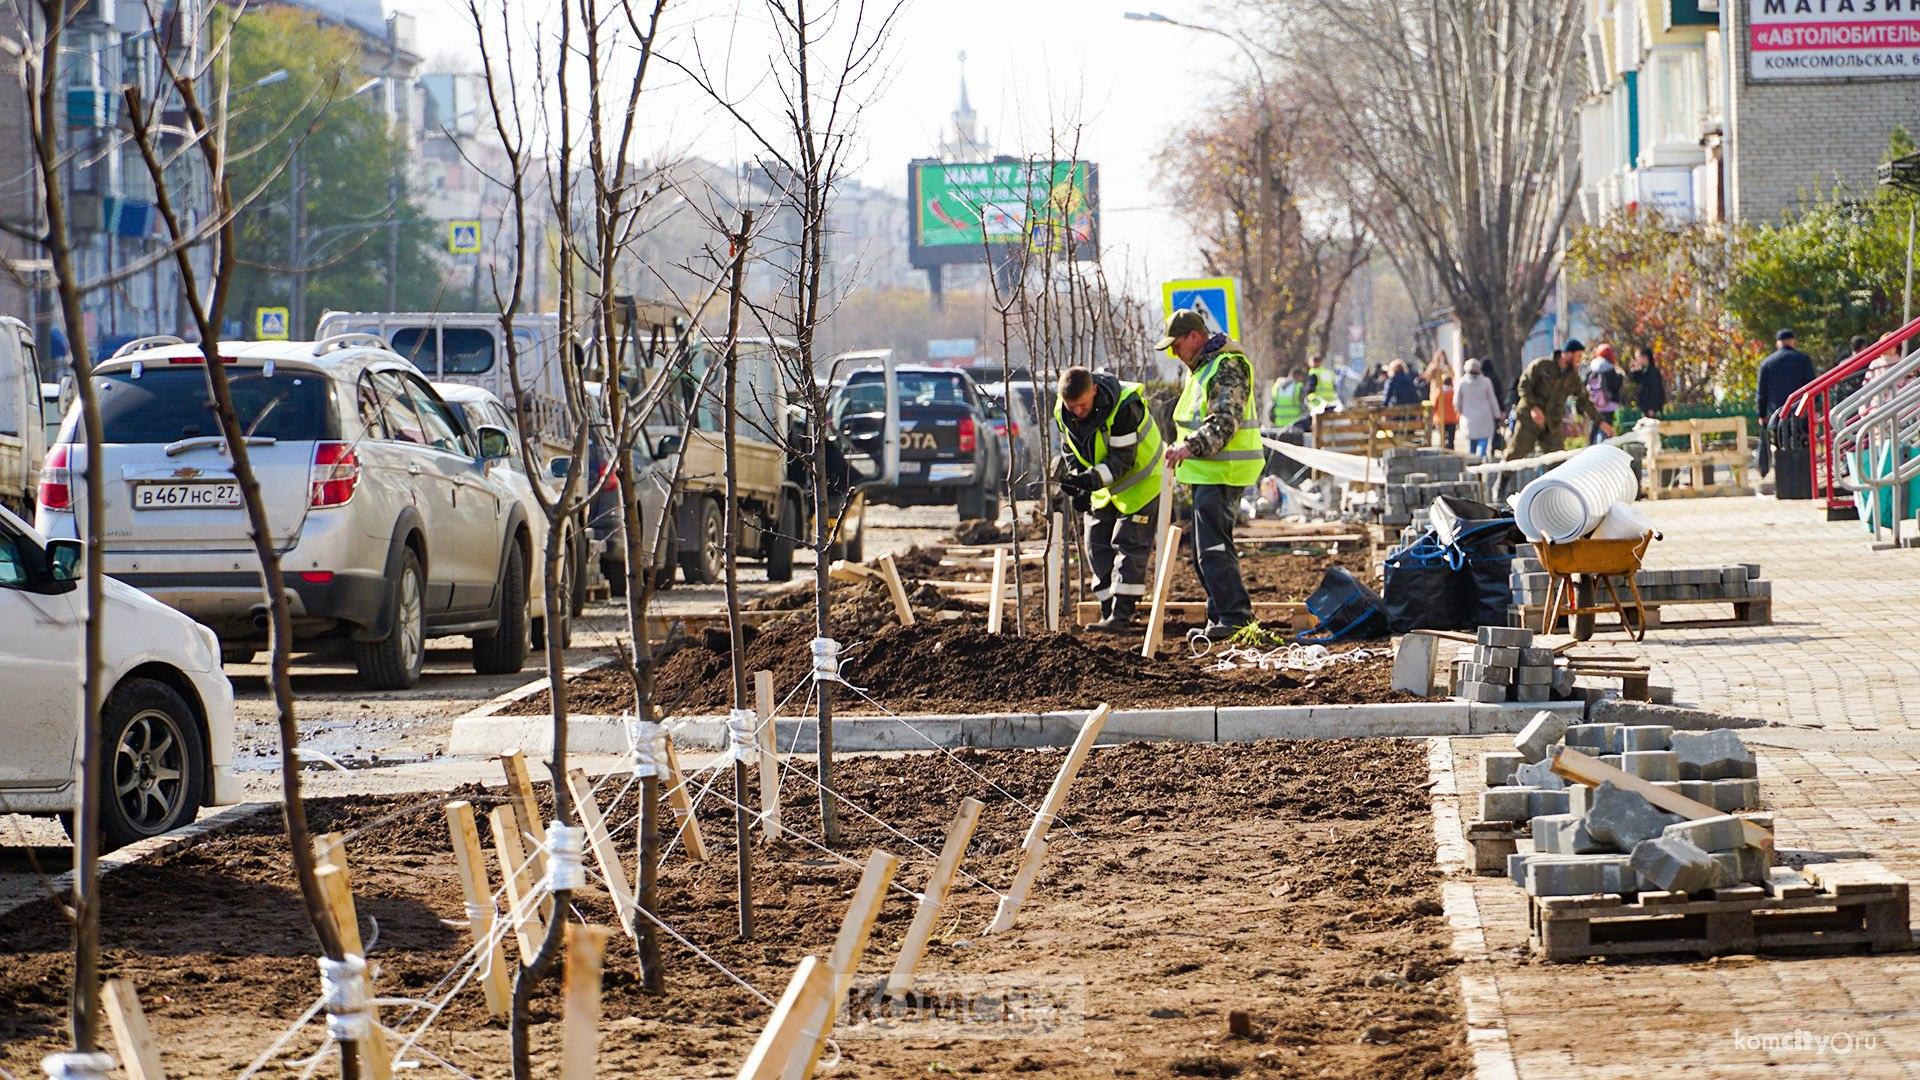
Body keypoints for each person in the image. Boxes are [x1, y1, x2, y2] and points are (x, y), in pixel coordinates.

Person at [1160, 308, 1259, 640]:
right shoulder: (1202, 369)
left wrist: (1190, 447)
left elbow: (1225, 421)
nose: (1174, 352)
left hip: (1223, 471)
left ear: (1194, 337)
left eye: (1176, 344)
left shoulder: (1227, 366)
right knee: (1204, 553)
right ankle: (1220, 615)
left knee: (1213, 550)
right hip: (1206, 474)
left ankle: (1235, 617)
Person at [1052, 365, 1164, 634]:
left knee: (1128, 543)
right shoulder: (1063, 411)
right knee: (1095, 545)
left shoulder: (1125, 406)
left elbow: (1122, 461)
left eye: (1082, 405)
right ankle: (1107, 610)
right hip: (1104, 486)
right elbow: (1071, 451)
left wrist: (1089, 481)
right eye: (1072, 406)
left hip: (1140, 483)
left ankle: (1121, 615)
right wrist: (1079, 483)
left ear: (1094, 390)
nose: (1077, 412)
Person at [1505, 339, 1613, 461]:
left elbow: (1584, 401)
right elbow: (1524, 386)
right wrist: (1533, 407)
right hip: (1529, 420)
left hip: (1551, 424)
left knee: (1559, 461)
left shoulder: (1572, 378)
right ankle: (1502, 479)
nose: (1579, 360)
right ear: (1568, 354)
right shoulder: (1542, 365)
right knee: (1515, 455)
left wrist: (1600, 422)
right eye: (1578, 356)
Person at [1755, 328, 1814, 475]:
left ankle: (1786, 479)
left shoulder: (1767, 363)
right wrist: (1814, 407)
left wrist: (1762, 414)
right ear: (1793, 341)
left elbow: (1762, 393)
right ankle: (1804, 478)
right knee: (1803, 446)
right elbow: (1812, 385)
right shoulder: (1803, 359)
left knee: (1782, 447)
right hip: (1801, 412)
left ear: (1777, 344)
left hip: (1778, 415)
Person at [1453, 358, 1503, 457]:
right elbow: (1492, 400)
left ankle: (1472, 464)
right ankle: (1480, 460)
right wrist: (1497, 414)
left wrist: (1460, 410)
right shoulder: (1486, 382)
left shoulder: (1462, 383)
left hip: (1469, 417)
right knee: (1483, 441)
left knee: (1472, 443)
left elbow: (1456, 402)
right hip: (1485, 417)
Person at [1586, 343, 1625, 441]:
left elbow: (1584, 384)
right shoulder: (1611, 369)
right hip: (1609, 405)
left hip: (1595, 404)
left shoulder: (1592, 368)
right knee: (1606, 429)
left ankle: (1591, 451)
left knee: (1594, 429)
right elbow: (1616, 386)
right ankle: (1604, 450)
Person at [1627, 345, 1666, 419]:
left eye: (1638, 357)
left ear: (1645, 357)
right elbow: (1635, 380)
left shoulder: (1652, 372)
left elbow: (1655, 390)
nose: (1636, 359)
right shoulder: (1644, 372)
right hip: (1645, 407)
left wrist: (1652, 408)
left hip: (1651, 408)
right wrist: (1634, 370)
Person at [1430, 366, 1460, 448]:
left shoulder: (1439, 392)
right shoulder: (1454, 393)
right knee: (1451, 438)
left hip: (1441, 418)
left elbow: (1434, 405)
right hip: (1452, 418)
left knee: (1442, 437)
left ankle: (1444, 447)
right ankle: (1451, 448)